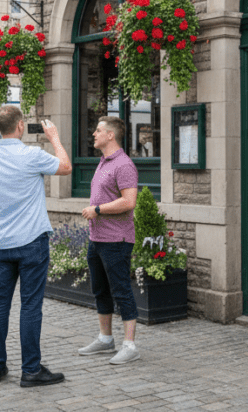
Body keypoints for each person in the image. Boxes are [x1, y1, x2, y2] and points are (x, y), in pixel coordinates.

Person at [0, 106, 71, 388]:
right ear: (20, 126)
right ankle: (30, 370)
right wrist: (54, 138)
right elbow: (65, 167)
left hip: (2, 245)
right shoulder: (31, 155)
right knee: (30, 306)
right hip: (31, 242)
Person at [77, 116, 141, 364]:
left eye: (99, 130)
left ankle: (130, 345)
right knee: (100, 290)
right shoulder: (103, 162)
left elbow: (129, 201)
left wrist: (98, 209)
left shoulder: (123, 165)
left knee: (121, 290)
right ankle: (106, 339)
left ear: (111, 135)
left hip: (117, 239)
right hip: (98, 238)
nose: (94, 133)